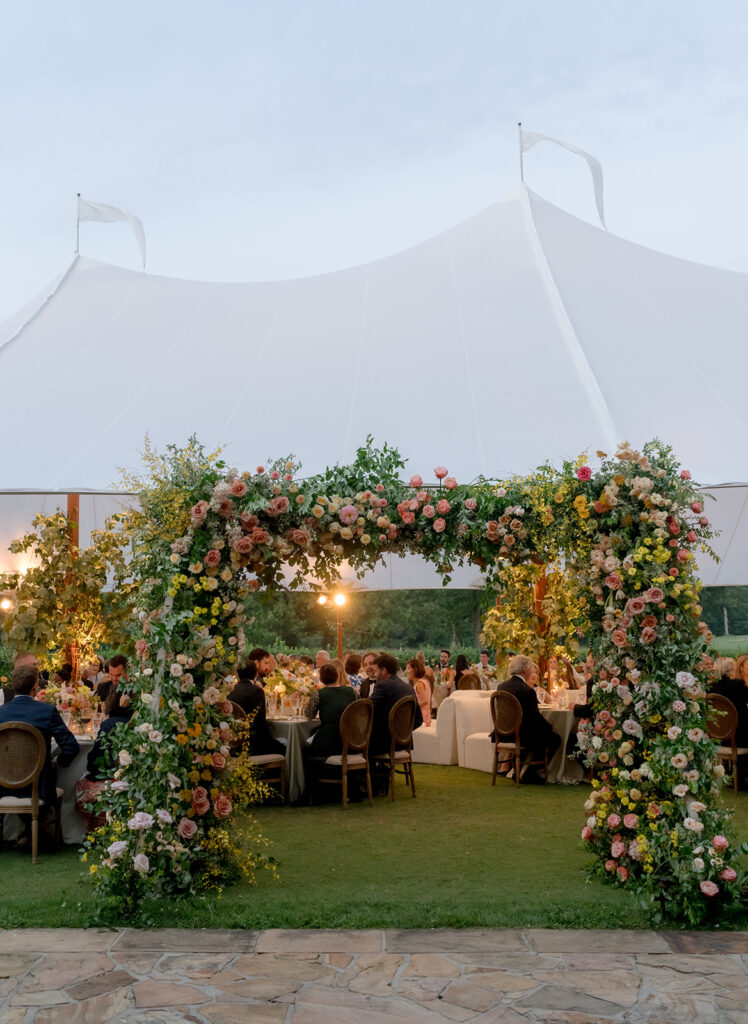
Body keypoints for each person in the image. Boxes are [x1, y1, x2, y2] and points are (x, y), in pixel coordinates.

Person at [0, 664, 80, 807]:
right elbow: (71, 747)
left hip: (3, 788)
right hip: (39, 787)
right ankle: (41, 827)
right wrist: (57, 762)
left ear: (13, 686)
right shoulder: (46, 711)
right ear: (35, 686)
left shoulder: (1, 713)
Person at [492, 654, 560, 777]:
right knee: (554, 738)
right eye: (530, 668)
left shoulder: (502, 686)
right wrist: (550, 727)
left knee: (540, 734)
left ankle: (519, 770)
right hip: (521, 735)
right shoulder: (526, 690)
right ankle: (530, 773)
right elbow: (535, 718)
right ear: (525, 671)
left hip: (502, 733)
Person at [227, 661, 285, 755]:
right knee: (285, 744)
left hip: (233, 743)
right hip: (253, 745)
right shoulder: (256, 691)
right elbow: (261, 722)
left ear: (238, 674)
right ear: (256, 674)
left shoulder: (230, 690)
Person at [370, 653, 423, 755]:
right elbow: (418, 719)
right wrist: (403, 734)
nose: (375, 675)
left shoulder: (382, 685)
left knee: (353, 741)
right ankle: (381, 770)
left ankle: (368, 770)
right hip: (404, 742)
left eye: (376, 671)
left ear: (384, 671)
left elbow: (367, 710)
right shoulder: (409, 688)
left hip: (382, 744)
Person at [306, 662, 357, 759]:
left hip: (329, 742)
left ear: (321, 679)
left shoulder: (319, 694)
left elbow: (309, 715)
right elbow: (359, 711)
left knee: (306, 747)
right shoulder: (352, 691)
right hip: (352, 740)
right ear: (337, 676)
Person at [710, 656, 748, 747]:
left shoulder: (710, 690)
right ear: (731, 669)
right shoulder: (738, 687)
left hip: (717, 739)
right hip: (740, 737)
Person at [406, 658, 431, 726]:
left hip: (421, 718)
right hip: (426, 715)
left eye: (408, 668)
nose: (406, 671)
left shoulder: (419, 684)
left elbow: (425, 701)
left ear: (415, 670)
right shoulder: (424, 681)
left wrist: (412, 709)